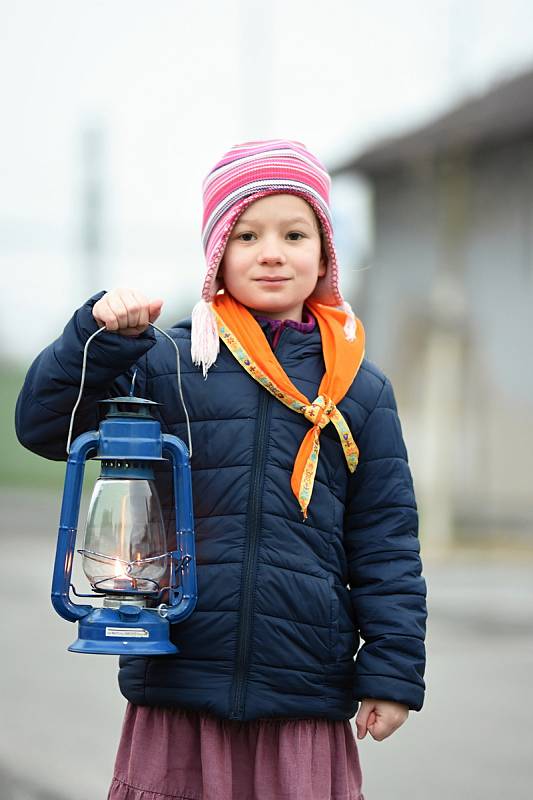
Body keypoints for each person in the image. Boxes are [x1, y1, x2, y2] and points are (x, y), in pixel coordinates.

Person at [16, 139, 427, 800]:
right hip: (178, 678)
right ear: (217, 255)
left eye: (294, 233)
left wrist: (391, 670)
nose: (271, 251)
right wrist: (93, 336)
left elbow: (385, 542)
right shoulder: (163, 361)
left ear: (323, 253)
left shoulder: (358, 389)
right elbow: (44, 427)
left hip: (303, 687)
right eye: (246, 234)